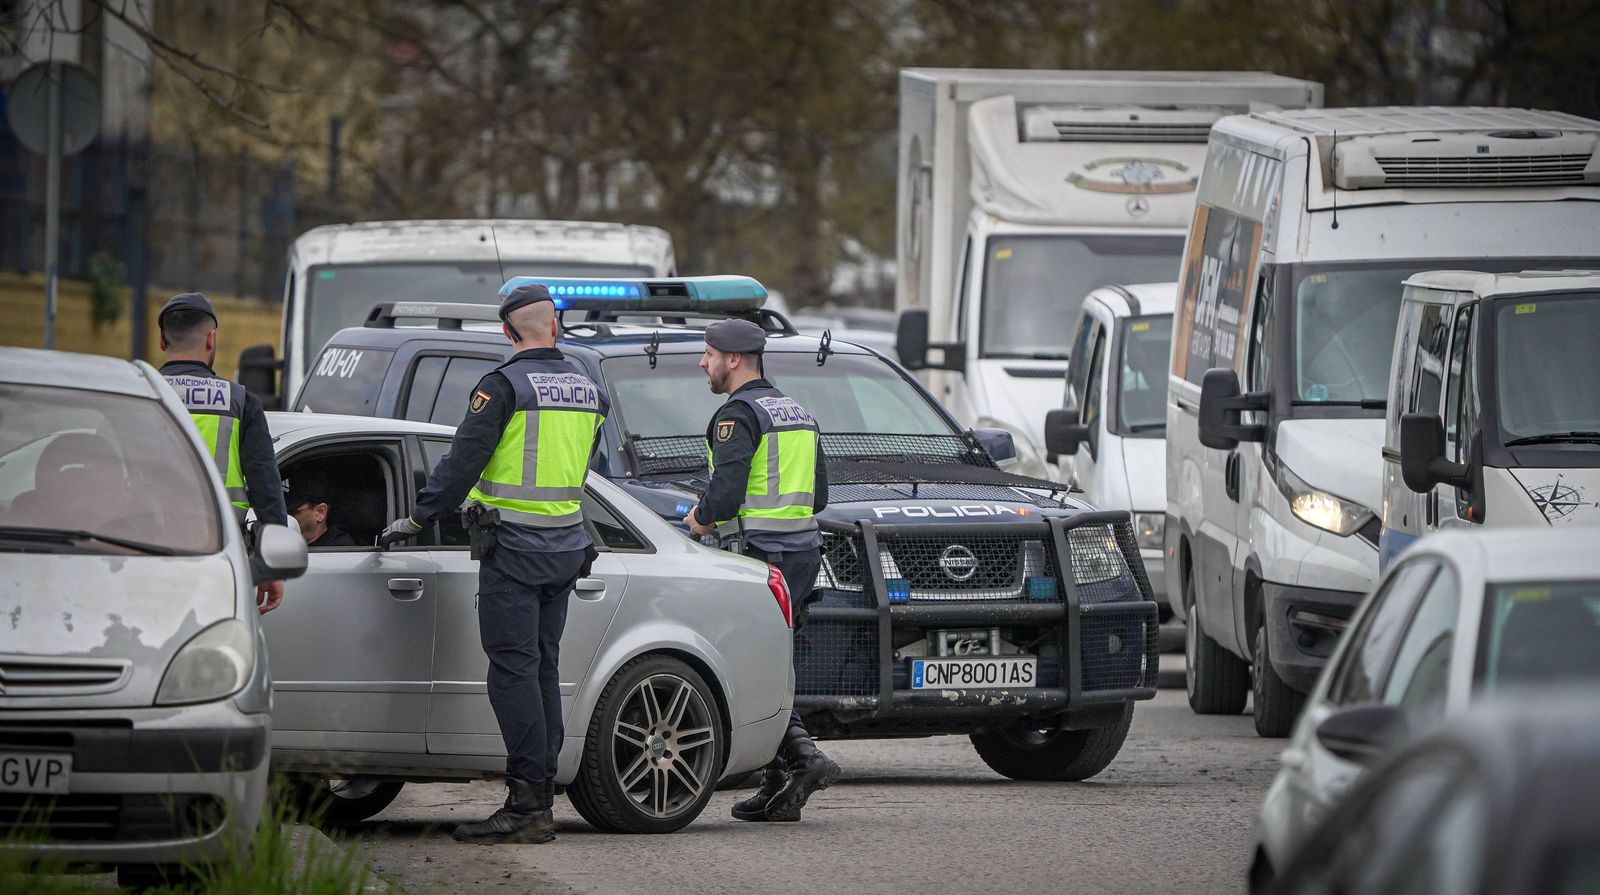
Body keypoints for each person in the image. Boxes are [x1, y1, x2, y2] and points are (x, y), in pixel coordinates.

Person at [377, 283, 607, 845]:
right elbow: (588, 464)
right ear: (553, 326)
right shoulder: (588, 388)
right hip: (566, 547)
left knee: (512, 671)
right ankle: (540, 791)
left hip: (517, 551)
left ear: (507, 332)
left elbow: (462, 462)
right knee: (542, 668)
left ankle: (527, 805)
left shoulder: (501, 386)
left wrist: (416, 518)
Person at [681, 318, 840, 823]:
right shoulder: (797, 411)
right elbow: (819, 496)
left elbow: (725, 492)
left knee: (749, 663)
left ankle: (804, 758)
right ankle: (778, 786)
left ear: (733, 359)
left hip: (758, 554)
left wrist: (699, 520)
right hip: (801, 552)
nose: (702, 364)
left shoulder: (738, 415)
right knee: (776, 665)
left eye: (708, 355)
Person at [158, 291, 288, 613]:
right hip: (219, 558)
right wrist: (274, 562)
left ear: (162, 340)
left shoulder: (142, 394)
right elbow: (265, 487)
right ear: (211, 339)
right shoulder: (241, 402)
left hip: (147, 555)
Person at [284, 476, 358, 548]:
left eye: (292, 512)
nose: (285, 517)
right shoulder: (287, 544)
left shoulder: (339, 551)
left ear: (320, 512)